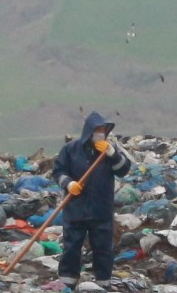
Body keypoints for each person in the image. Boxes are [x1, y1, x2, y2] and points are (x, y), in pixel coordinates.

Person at [53, 111, 133, 280]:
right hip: (76, 208)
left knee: (103, 248)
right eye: (97, 130)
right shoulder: (71, 150)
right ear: (88, 131)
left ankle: (103, 281)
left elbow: (123, 171)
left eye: (103, 130)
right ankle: (68, 281)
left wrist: (113, 154)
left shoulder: (109, 151)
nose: (100, 133)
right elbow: (58, 171)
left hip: (101, 208)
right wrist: (69, 184)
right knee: (72, 246)